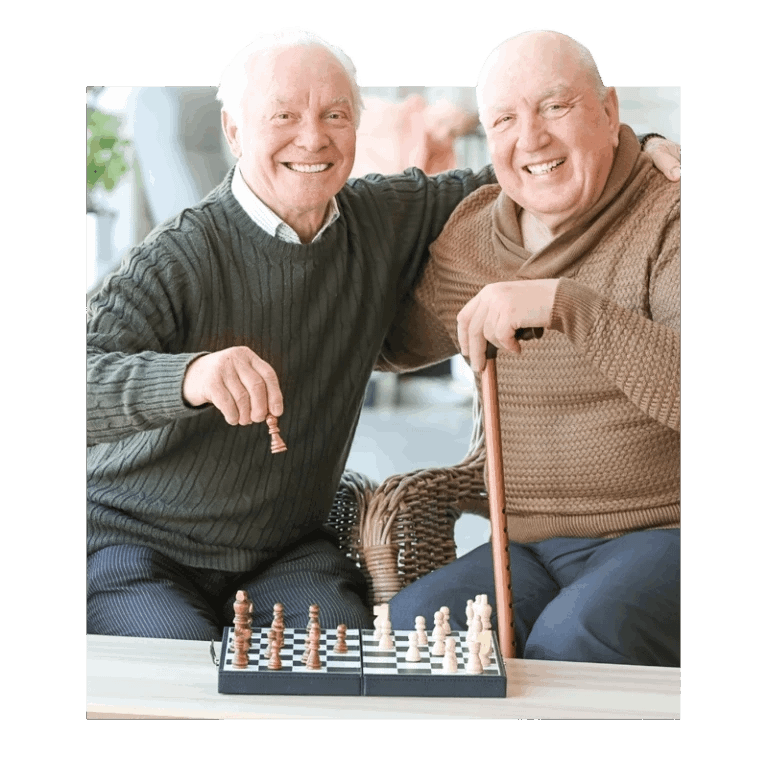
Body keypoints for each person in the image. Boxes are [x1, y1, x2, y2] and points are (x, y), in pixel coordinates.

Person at [87, 27, 680, 641]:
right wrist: (187, 377)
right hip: (139, 543)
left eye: (334, 114)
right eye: (283, 115)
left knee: (364, 665)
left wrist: (639, 146)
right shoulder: (176, 258)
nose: (312, 136)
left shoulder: (385, 217)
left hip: (281, 553)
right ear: (234, 132)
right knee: (183, 673)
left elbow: (530, 168)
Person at [382, 30, 680, 667]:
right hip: (529, 548)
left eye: (555, 107)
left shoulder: (669, 216)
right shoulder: (474, 237)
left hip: (666, 535)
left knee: (573, 640)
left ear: (609, 111)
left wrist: (562, 303)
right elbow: (385, 345)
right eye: (505, 120)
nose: (532, 139)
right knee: (415, 632)